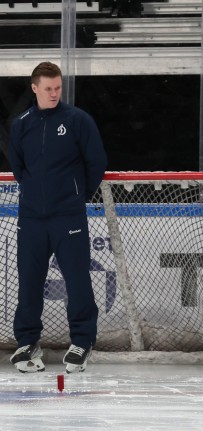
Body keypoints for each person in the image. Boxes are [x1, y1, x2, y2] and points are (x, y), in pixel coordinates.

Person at [6, 62, 108, 373]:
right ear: (34, 88)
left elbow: (96, 163)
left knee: (77, 281)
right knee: (29, 281)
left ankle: (81, 341)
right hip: (32, 218)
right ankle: (27, 342)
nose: (54, 93)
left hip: (69, 217)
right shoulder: (21, 124)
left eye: (58, 88)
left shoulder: (78, 120)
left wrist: (74, 197)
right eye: (48, 88)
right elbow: (19, 167)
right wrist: (37, 196)